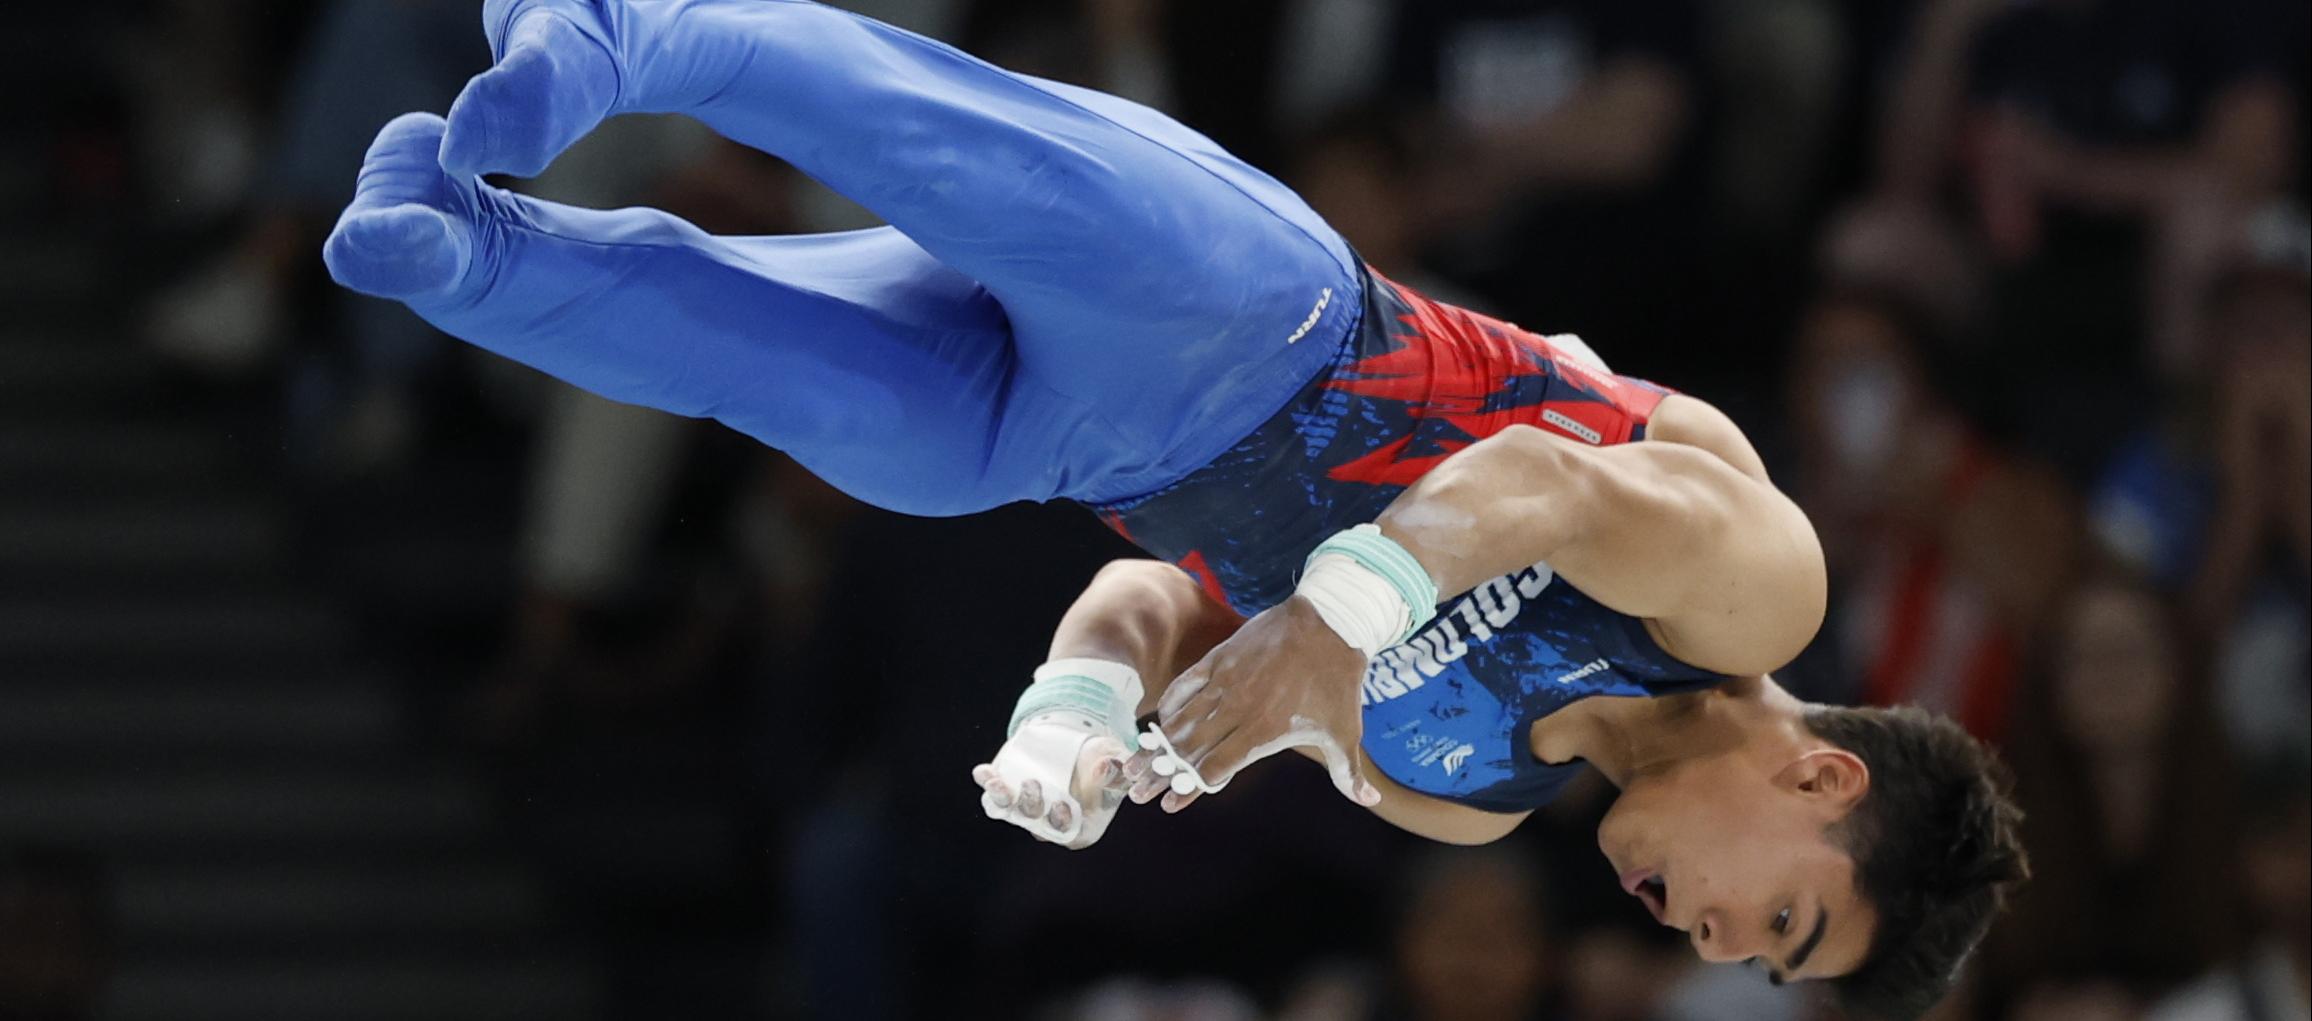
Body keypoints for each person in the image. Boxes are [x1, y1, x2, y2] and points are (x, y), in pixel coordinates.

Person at [323, 2, 2027, 1015]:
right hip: (1262, 319)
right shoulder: (1760, 597)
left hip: (1075, 448)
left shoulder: (1465, 802)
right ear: (1824, 774)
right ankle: (622, 31)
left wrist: (1083, 711)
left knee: (772, 375)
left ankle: (459, 244)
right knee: (935, 141)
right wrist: (1330, 631)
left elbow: (1168, 609)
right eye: (1782, 918)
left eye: (1761, 960)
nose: (1723, 945)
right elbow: (1542, 483)